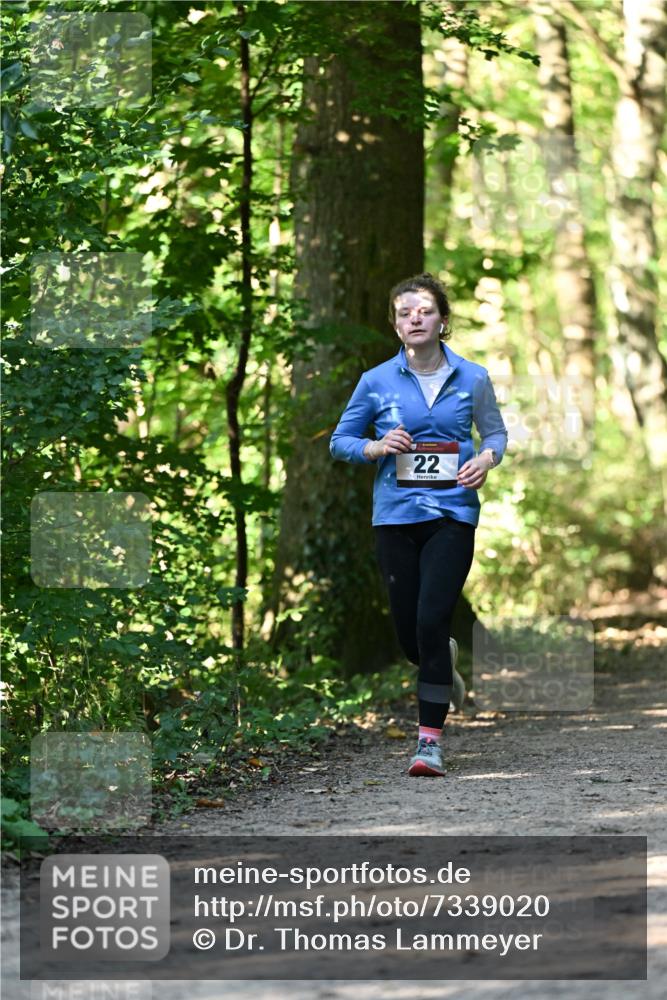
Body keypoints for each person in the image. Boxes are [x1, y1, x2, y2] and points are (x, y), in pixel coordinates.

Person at [330, 273, 507, 776]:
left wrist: (487, 459)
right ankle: (440, 658)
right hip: (395, 517)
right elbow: (340, 440)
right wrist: (377, 447)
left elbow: (494, 432)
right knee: (412, 638)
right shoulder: (376, 381)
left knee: (432, 621)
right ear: (395, 323)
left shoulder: (473, 377)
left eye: (424, 311)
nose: (415, 318)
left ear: (442, 320)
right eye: (405, 312)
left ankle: (429, 742)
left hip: (452, 514)